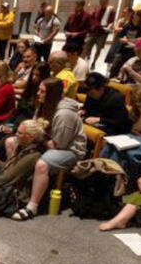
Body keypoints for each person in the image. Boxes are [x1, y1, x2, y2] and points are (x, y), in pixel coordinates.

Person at [11, 78, 86, 221]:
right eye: (39, 90)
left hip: (70, 150)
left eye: (42, 91)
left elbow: (58, 145)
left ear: (52, 94)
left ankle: (32, 206)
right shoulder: (44, 104)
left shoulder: (64, 114)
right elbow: (36, 125)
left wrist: (38, 137)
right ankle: (13, 184)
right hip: (48, 140)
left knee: (42, 164)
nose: (38, 93)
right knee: (12, 141)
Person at [84, 0, 116, 69]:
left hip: (103, 32)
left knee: (99, 48)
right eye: (101, 3)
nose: (102, 4)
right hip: (94, 31)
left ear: (107, 3)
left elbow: (111, 21)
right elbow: (92, 19)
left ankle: (94, 62)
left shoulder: (111, 11)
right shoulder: (97, 9)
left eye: (104, 3)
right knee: (88, 46)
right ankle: (87, 58)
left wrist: (109, 26)